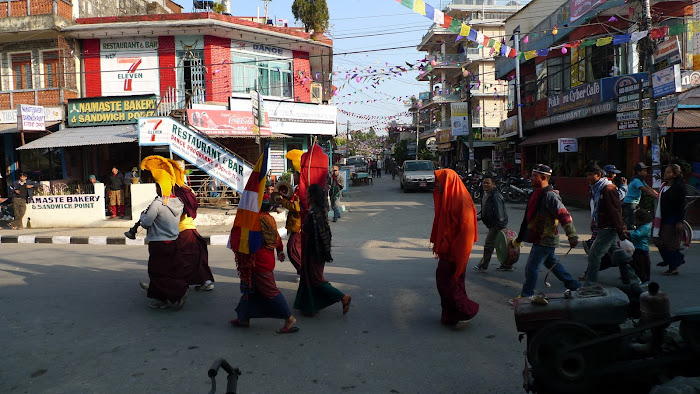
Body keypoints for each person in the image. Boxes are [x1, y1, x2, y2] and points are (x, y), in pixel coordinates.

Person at [511, 164, 581, 304]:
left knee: (531, 268)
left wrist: (572, 236)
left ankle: (526, 295)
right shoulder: (537, 193)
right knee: (553, 264)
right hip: (539, 238)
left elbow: (564, 216)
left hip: (545, 239)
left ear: (543, 178)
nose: (530, 178)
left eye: (534, 176)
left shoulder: (550, 196)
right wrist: (520, 237)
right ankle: (575, 286)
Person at [230, 199, 299, 333]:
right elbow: (276, 237)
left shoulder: (255, 220)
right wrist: (279, 250)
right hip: (261, 261)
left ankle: (289, 318)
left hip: (258, 262)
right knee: (249, 292)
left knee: (270, 291)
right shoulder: (269, 218)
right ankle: (243, 317)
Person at [431, 169, 479, 329]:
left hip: (455, 252)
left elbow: (466, 232)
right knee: (450, 283)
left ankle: (467, 312)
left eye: (439, 182)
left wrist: (458, 255)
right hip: (447, 251)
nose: (436, 186)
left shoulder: (461, 200)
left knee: (448, 283)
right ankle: (451, 315)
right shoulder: (449, 198)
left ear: (448, 183)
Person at [293, 184, 351, 317]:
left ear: (312, 197)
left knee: (316, 280)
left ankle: (343, 297)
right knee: (310, 278)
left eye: (307, 194)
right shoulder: (317, 210)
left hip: (315, 253)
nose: (305, 197)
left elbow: (316, 234)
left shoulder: (315, 213)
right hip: (314, 251)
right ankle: (311, 306)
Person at [139, 156, 188, 309]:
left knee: (157, 272)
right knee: (171, 271)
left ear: (161, 186)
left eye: (157, 185)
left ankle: (175, 295)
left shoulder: (157, 203)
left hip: (158, 243)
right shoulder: (178, 203)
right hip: (173, 242)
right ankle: (163, 298)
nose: (156, 189)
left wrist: (142, 216)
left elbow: (146, 223)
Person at [583, 163, 630, 285]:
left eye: (590, 175)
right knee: (616, 252)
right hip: (603, 225)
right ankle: (631, 278)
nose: (588, 177)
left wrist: (620, 230)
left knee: (594, 255)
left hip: (608, 227)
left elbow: (615, 211)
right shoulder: (597, 188)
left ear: (598, 175)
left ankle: (590, 284)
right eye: (587, 175)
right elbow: (597, 208)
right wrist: (595, 221)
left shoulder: (608, 189)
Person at [653, 164, 687, 276]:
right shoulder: (664, 186)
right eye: (665, 172)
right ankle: (674, 260)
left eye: (668, 172)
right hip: (662, 217)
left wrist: (680, 221)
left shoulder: (679, 187)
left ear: (675, 174)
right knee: (659, 241)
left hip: (673, 218)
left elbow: (681, 205)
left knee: (670, 243)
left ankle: (673, 267)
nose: (665, 174)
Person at [473, 174, 510, 272]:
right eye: (484, 183)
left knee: (489, 245)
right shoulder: (486, 194)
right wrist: (476, 217)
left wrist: (500, 226)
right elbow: (485, 210)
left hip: (497, 225)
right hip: (493, 224)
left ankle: (483, 265)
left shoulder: (496, 195)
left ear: (493, 184)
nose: (485, 185)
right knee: (501, 246)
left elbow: (499, 213)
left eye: (487, 183)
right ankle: (507, 265)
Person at [622, 162, 658, 230]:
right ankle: (629, 236)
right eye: (644, 171)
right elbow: (645, 190)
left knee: (636, 218)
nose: (646, 172)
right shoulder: (636, 180)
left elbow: (649, 188)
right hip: (630, 202)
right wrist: (656, 196)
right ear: (639, 172)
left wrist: (658, 194)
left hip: (634, 202)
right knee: (631, 221)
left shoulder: (640, 180)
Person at [280, 171, 302, 278]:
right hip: (297, 224)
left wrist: (283, 202)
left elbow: (297, 207)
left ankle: (303, 271)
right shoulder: (297, 188)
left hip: (299, 224)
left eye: (296, 175)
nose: (295, 177)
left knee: (292, 249)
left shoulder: (301, 189)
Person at [626, 209, 653, 283]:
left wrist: (628, 232)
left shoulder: (645, 227)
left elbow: (637, 234)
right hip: (639, 248)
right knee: (638, 265)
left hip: (641, 249)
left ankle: (642, 279)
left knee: (640, 266)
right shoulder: (643, 226)